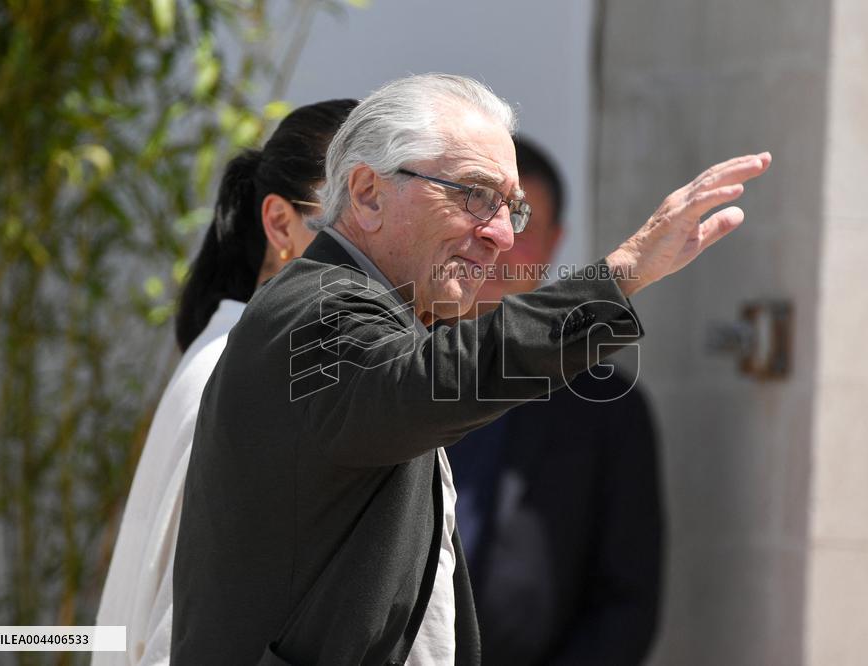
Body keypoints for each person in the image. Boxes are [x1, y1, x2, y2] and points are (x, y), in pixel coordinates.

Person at [171, 73, 771, 666]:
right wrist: (622, 273)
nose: (501, 235)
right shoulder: (312, 310)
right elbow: (426, 383)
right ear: (368, 193)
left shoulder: (374, 315)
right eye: (475, 195)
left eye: (512, 209)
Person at [93, 98, 357, 666]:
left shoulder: (248, 351)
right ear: (280, 223)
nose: (378, 251)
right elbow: (185, 621)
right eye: (352, 218)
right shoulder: (245, 371)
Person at [447, 136, 664, 665]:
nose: (498, 243)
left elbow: (626, 602)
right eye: (479, 219)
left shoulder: (605, 405)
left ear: (554, 243)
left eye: (521, 224)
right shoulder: (390, 363)